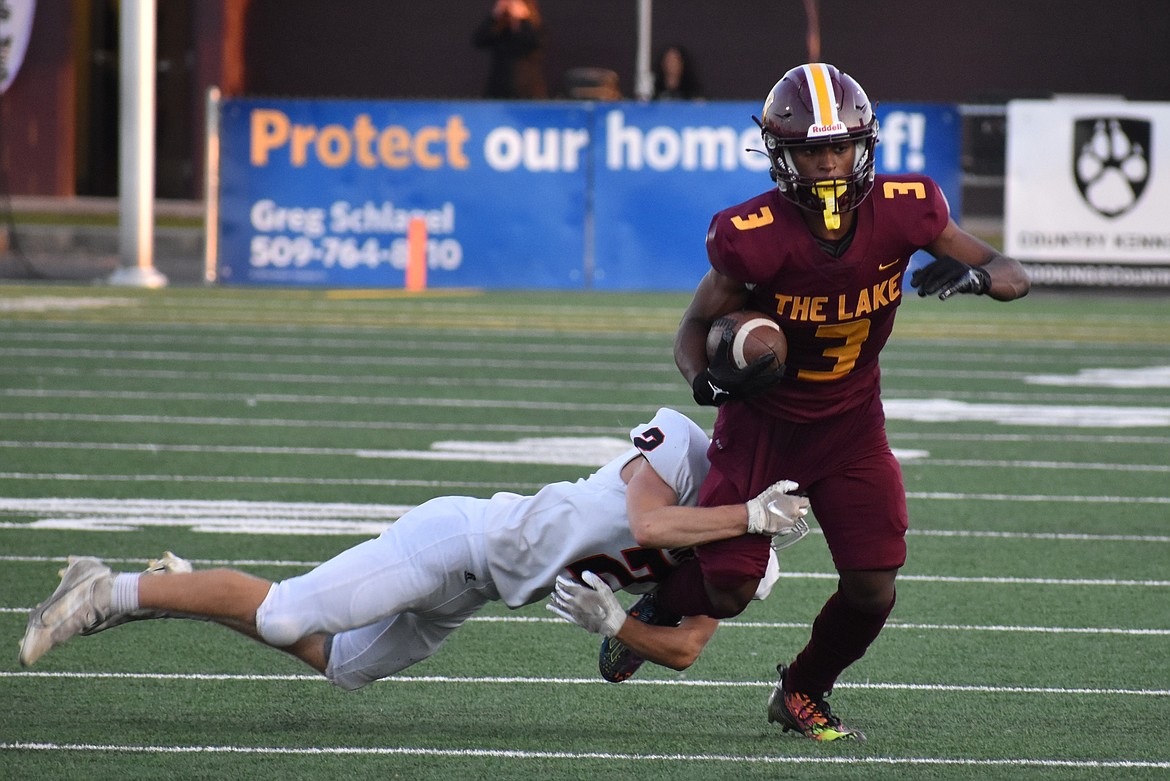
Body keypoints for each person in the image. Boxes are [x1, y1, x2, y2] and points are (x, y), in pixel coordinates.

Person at [619, 63, 1031, 742]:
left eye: (839, 147)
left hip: (851, 422)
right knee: (730, 589)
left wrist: (980, 274)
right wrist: (707, 383)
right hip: (764, 427)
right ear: (782, 156)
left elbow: (1016, 273)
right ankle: (664, 596)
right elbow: (692, 328)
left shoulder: (909, 206)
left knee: (874, 585)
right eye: (813, 151)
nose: (829, 164)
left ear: (863, 144)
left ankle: (803, 687)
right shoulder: (751, 232)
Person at [19, 408, 812, 690]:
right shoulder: (680, 443)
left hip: (470, 592)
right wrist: (743, 512)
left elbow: (686, 647)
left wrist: (617, 627)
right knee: (286, 611)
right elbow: (649, 527)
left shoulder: (749, 554)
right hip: (460, 537)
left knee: (341, 665)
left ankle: (185, 588)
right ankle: (107, 587)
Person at [472, 0, 548, 99]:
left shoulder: (535, 27)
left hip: (527, 92)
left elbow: (533, 43)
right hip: (498, 91)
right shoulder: (501, 31)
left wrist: (522, 19)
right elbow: (478, 40)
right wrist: (494, 16)